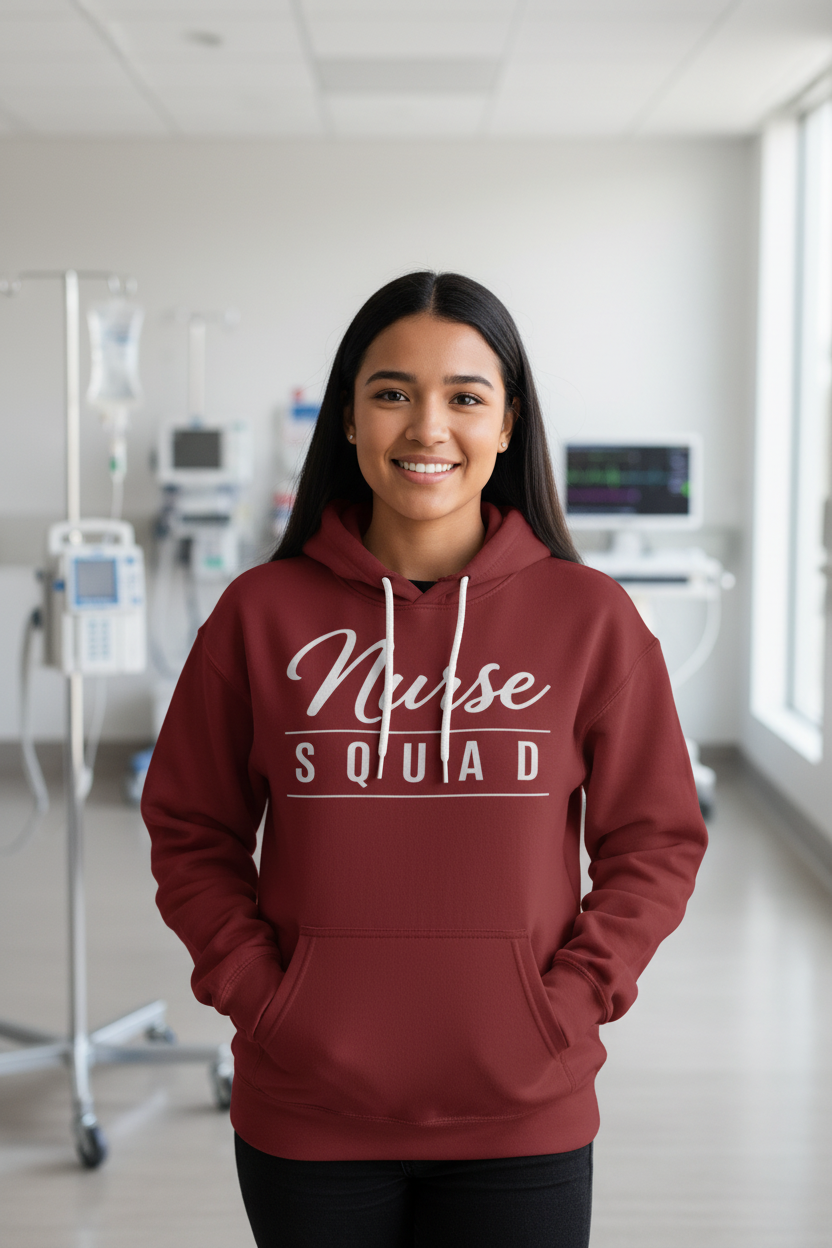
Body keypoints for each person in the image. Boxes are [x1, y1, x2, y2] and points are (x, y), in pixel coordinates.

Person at [141, 271, 708, 1248]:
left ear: (507, 424)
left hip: (523, 1112)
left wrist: (568, 1008)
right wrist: (263, 1000)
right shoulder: (259, 615)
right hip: (307, 1111)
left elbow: (654, 840)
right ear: (349, 419)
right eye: (393, 392)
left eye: (464, 397)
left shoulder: (590, 620)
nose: (427, 427)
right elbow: (191, 829)